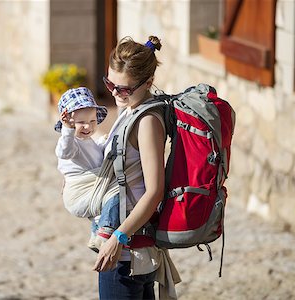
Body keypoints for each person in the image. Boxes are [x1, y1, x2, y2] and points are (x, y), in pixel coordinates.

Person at [92, 36, 181, 299]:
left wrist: (116, 240)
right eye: (110, 83)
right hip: (126, 249)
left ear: (148, 83)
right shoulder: (129, 109)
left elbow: (154, 192)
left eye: (124, 89)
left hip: (127, 253)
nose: (115, 93)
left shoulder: (147, 121)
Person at [54, 87, 121, 252]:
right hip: (80, 191)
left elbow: (96, 156)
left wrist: (105, 142)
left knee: (104, 199)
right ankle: (105, 230)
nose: (87, 127)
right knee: (117, 192)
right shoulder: (71, 143)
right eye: (80, 123)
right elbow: (65, 152)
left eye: (92, 121)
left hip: (91, 187)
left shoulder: (88, 141)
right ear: (68, 123)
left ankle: (95, 233)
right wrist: (67, 130)